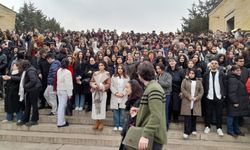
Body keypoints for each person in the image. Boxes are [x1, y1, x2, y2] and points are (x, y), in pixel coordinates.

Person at [136, 61, 166, 150]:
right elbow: (153, 109)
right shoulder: (152, 87)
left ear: (140, 75)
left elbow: (156, 115)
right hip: (151, 136)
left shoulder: (154, 89)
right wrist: (140, 110)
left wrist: (145, 135)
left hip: (153, 137)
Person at [203, 59, 226, 136]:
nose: (214, 65)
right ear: (210, 65)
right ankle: (207, 126)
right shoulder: (206, 74)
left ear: (218, 65)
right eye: (212, 63)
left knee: (219, 113)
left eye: (215, 63)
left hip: (219, 96)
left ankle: (219, 128)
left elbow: (225, 85)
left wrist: (224, 94)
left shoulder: (221, 74)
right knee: (208, 112)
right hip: (209, 96)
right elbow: (204, 85)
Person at [119, 79, 143, 150]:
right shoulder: (131, 100)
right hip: (128, 130)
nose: (126, 89)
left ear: (133, 88)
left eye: (127, 87)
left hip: (132, 133)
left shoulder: (138, 101)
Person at [16, 60, 42, 126]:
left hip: (34, 89)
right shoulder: (28, 69)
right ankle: (25, 119)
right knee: (27, 105)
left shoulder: (30, 70)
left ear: (24, 65)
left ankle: (34, 120)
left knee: (34, 105)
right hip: (30, 90)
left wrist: (25, 86)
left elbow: (33, 80)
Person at [180, 69, 204, 139]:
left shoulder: (199, 81)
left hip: (195, 101)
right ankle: (186, 131)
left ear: (195, 74)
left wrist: (197, 97)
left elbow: (201, 91)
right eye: (190, 73)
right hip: (187, 100)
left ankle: (193, 129)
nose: (191, 74)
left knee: (194, 116)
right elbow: (182, 89)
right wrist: (188, 96)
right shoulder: (185, 80)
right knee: (187, 116)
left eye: (193, 73)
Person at [227, 65, 249, 137]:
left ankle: (236, 130)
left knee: (236, 116)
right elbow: (232, 92)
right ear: (233, 71)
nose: (239, 72)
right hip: (234, 102)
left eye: (240, 70)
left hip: (238, 101)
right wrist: (235, 102)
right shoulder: (233, 79)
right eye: (237, 70)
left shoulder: (237, 78)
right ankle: (230, 131)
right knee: (231, 117)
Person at [90, 61, 111, 131]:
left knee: (101, 107)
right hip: (95, 92)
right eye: (99, 65)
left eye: (102, 65)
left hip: (102, 92)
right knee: (95, 107)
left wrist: (102, 87)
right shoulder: (95, 73)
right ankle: (96, 122)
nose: (100, 67)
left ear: (104, 66)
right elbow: (91, 81)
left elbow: (108, 84)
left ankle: (101, 122)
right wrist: (94, 85)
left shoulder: (107, 73)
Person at [110, 64, 130, 131]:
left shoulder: (127, 77)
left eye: (121, 68)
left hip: (123, 96)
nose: (120, 70)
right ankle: (116, 125)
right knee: (115, 111)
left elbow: (128, 87)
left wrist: (123, 93)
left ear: (123, 69)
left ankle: (121, 125)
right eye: (118, 68)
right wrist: (116, 93)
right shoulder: (113, 76)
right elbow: (111, 86)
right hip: (115, 96)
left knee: (122, 112)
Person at [56, 58, 73, 127]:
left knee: (60, 106)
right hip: (64, 90)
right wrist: (70, 93)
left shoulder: (59, 70)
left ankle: (61, 121)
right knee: (62, 106)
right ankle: (61, 122)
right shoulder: (67, 72)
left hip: (59, 89)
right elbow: (68, 84)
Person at [155, 63, 172, 130]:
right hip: (158, 94)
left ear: (162, 68)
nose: (157, 70)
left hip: (166, 95)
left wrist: (159, 81)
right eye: (157, 69)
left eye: (158, 68)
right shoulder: (157, 75)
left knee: (165, 111)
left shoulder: (168, 75)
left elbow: (168, 84)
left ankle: (165, 126)